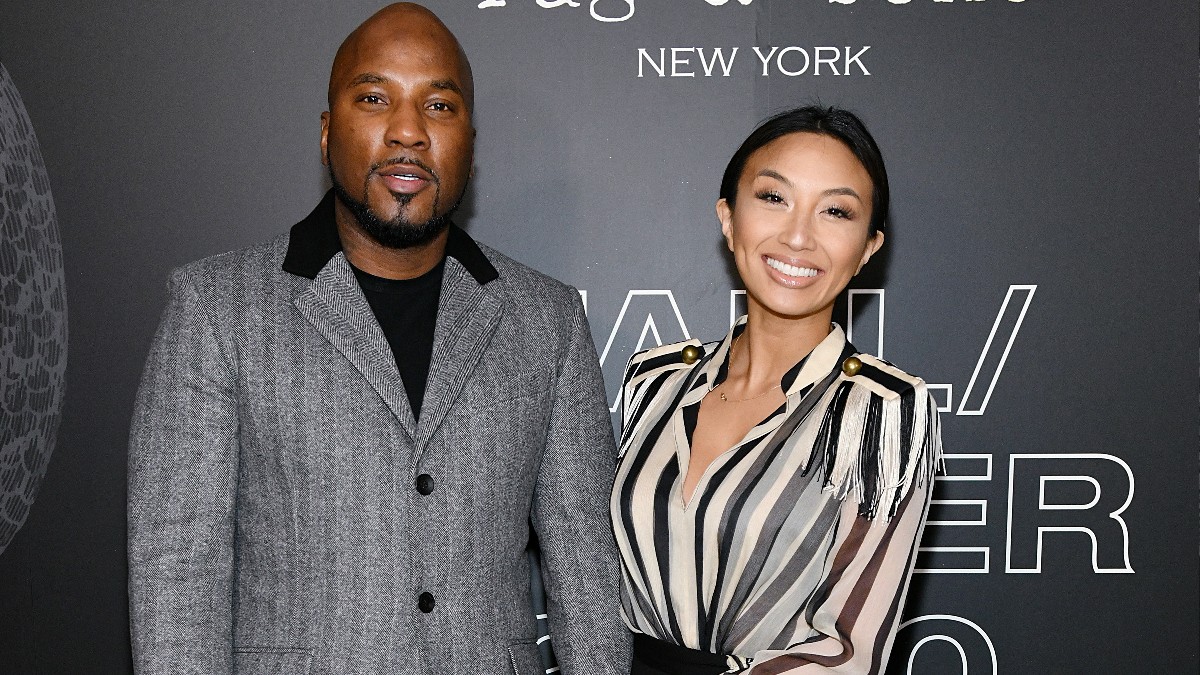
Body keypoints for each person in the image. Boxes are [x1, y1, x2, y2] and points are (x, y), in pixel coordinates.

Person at [127, 4, 628, 673]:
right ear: (329, 131)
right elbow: (177, 573)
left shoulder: (548, 320)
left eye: (439, 106)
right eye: (374, 98)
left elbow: (588, 575)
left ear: (470, 145)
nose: (407, 132)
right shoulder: (217, 309)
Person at [611, 106, 941, 674]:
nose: (798, 236)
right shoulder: (655, 379)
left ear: (868, 247)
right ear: (728, 217)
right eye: (773, 198)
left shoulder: (884, 409)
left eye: (835, 211)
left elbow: (848, 653)